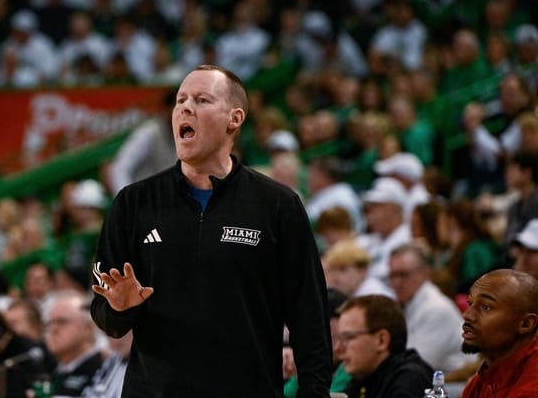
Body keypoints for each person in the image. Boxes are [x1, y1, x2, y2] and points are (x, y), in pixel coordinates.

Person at [90, 64, 332, 396]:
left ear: (234, 119)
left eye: (202, 100)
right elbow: (104, 315)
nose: (184, 108)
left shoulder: (278, 205)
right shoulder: (133, 203)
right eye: (180, 100)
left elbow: (310, 319)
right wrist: (119, 307)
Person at [388, 244, 478, 373]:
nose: (396, 282)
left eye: (403, 275)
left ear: (424, 273)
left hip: (456, 385)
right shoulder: (408, 303)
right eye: (392, 275)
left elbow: (417, 365)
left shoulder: (435, 308)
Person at [461, 269, 538, 397]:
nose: (467, 315)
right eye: (470, 303)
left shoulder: (531, 388)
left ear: (526, 323)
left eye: (485, 307)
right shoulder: (483, 379)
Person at [337, 295, 433, 398]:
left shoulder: (410, 380)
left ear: (381, 340)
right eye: (338, 338)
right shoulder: (362, 378)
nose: (338, 348)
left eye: (348, 337)